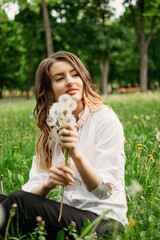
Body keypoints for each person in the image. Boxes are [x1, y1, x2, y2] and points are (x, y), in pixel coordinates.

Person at [0, 51, 128, 239]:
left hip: (105, 223)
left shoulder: (104, 119)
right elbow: (30, 190)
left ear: (83, 79)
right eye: (59, 78)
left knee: (18, 202)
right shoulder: (51, 131)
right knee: (11, 201)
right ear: (48, 89)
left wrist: (76, 154)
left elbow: (104, 192)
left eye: (75, 74)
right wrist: (48, 184)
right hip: (71, 214)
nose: (70, 81)